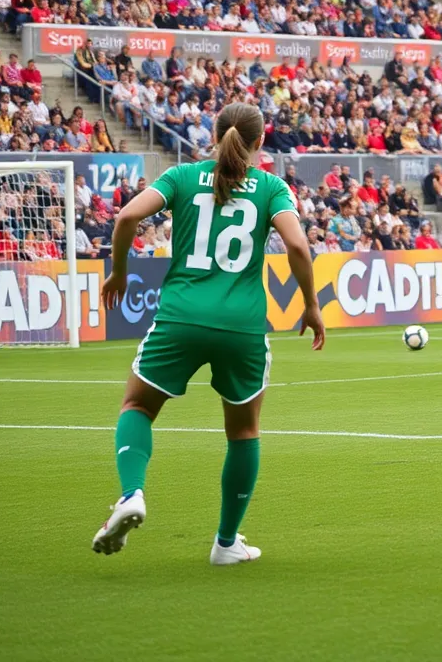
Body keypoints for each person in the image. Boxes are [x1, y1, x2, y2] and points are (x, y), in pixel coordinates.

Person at [93, 103, 326, 565]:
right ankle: (225, 544)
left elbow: (124, 219)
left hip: (180, 317)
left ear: (214, 134)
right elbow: (297, 245)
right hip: (241, 327)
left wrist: (119, 272)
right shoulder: (271, 187)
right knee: (243, 432)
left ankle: (132, 494)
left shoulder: (181, 177)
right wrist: (311, 304)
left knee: (138, 405)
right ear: (260, 143)